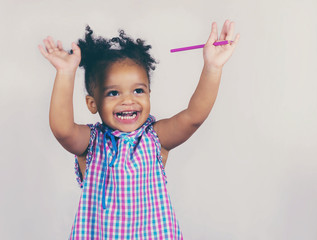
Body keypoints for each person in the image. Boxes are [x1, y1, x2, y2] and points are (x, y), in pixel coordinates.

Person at [39, 20, 239, 240]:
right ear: (92, 103)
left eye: (138, 90)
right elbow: (63, 131)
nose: (128, 100)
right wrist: (65, 73)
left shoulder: (155, 138)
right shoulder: (91, 143)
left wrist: (213, 67)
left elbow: (193, 117)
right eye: (113, 93)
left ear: (149, 94)